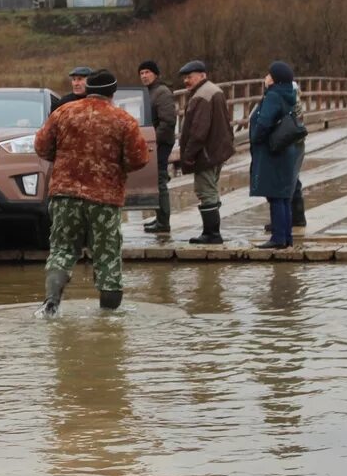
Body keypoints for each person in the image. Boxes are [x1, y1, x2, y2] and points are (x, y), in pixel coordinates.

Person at [34, 69, 149, 316]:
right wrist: (117, 165)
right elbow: (139, 159)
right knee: (108, 254)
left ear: (87, 89)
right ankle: (109, 318)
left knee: (62, 249)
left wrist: (66, 158)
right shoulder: (123, 120)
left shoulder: (63, 113)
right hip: (104, 199)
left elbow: (41, 147)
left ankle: (51, 304)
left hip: (64, 195)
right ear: (113, 92)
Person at [176, 60, 235, 245]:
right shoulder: (213, 90)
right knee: (210, 190)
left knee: (205, 192)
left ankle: (212, 234)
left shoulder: (201, 96)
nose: (187, 81)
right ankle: (211, 232)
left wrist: (188, 155)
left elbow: (198, 132)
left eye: (190, 77)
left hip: (206, 153)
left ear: (202, 75)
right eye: (185, 78)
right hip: (217, 150)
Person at [249, 61, 303, 250]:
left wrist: (255, 137)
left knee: (275, 195)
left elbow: (264, 122)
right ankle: (286, 236)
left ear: (275, 79)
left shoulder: (273, 96)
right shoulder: (289, 94)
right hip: (285, 150)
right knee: (282, 196)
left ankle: (278, 238)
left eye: (268, 74)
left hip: (272, 151)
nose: (265, 77)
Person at [139, 60, 178, 234]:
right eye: (141, 73)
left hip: (160, 143)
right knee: (155, 180)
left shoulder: (162, 92)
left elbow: (168, 122)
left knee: (160, 181)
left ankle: (164, 223)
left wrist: (152, 140)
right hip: (153, 143)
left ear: (155, 74)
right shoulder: (148, 92)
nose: (144, 76)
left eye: (147, 72)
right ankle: (160, 218)